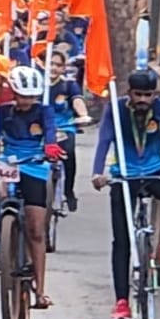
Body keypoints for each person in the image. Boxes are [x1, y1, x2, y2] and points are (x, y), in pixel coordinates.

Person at [91, 69, 160, 319]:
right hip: (124, 176)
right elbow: (104, 140)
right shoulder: (115, 111)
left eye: (148, 95)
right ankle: (122, 302)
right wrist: (97, 172)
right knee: (122, 240)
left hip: (155, 171)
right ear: (129, 93)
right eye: (138, 94)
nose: (143, 100)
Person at [0, 66, 64, 309]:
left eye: (31, 96)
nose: (26, 101)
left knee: (36, 229)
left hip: (35, 166)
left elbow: (49, 132)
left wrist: (50, 147)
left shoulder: (44, 111)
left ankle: (40, 290)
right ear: (13, 93)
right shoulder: (1, 112)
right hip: (8, 163)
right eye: (22, 95)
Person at [40, 49, 92, 211]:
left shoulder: (68, 85)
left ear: (64, 68)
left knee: (68, 149)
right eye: (51, 64)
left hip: (63, 127)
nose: (54, 68)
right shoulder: (36, 83)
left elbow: (77, 101)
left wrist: (83, 115)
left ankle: (68, 190)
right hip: (40, 128)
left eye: (59, 65)